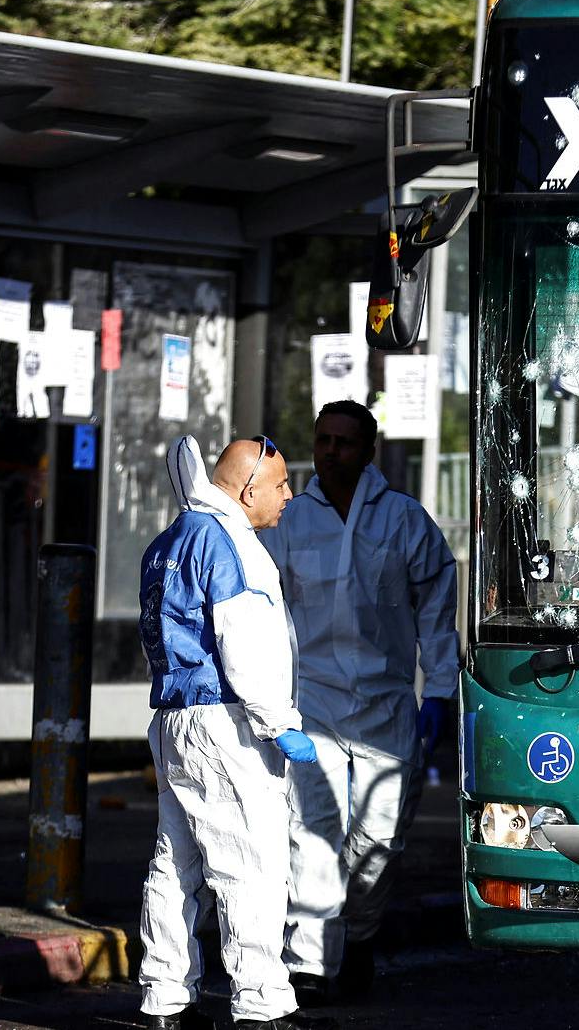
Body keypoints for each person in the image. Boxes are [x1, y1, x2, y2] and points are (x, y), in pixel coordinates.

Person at [261, 401, 460, 1002]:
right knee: (314, 833)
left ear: (368, 451)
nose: (329, 452)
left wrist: (442, 689)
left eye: (343, 442)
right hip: (313, 701)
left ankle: (361, 935)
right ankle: (313, 967)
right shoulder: (291, 521)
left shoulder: (404, 521)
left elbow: (437, 611)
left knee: (379, 840)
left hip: (388, 704)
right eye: (322, 440)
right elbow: (266, 606)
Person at [137, 435, 334, 1030]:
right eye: (279, 485)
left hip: (175, 718)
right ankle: (261, 1004)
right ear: (248, 490)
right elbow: (246, 645)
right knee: (251, 864)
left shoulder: (170, 540)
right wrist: (281, 725)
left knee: (176, 865)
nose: (289, 495)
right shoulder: (234, 546)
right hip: (229, 722)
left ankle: (165, 995)